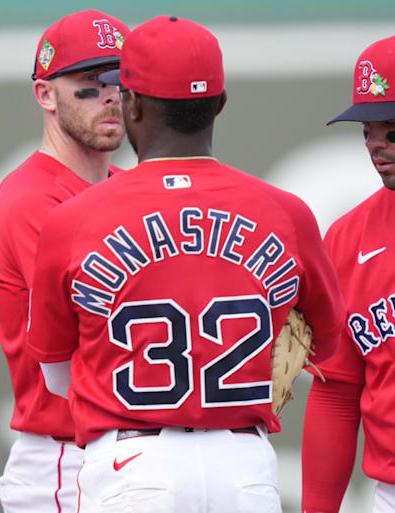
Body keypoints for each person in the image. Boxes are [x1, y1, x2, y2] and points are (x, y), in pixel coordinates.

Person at [26, 15, 346, 512]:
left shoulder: (72, 220)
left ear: (131, 105)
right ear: (219, 104)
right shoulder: (287, 213)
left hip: (132, 464)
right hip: (245, 466)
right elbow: (327, 343)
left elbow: (55, 375)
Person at [0, 9, 128, 513]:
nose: (111, 96)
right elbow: (100, 326)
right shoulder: (31, 196)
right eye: (90, 82)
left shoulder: (126, 189)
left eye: (122, 80)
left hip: (121, 452)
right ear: (46, 94)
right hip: (65, 460)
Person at [301, 35, 395, 513]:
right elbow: (336, 392)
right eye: (366, 131)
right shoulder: (347, 237)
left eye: (391, 129)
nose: (377, 145)